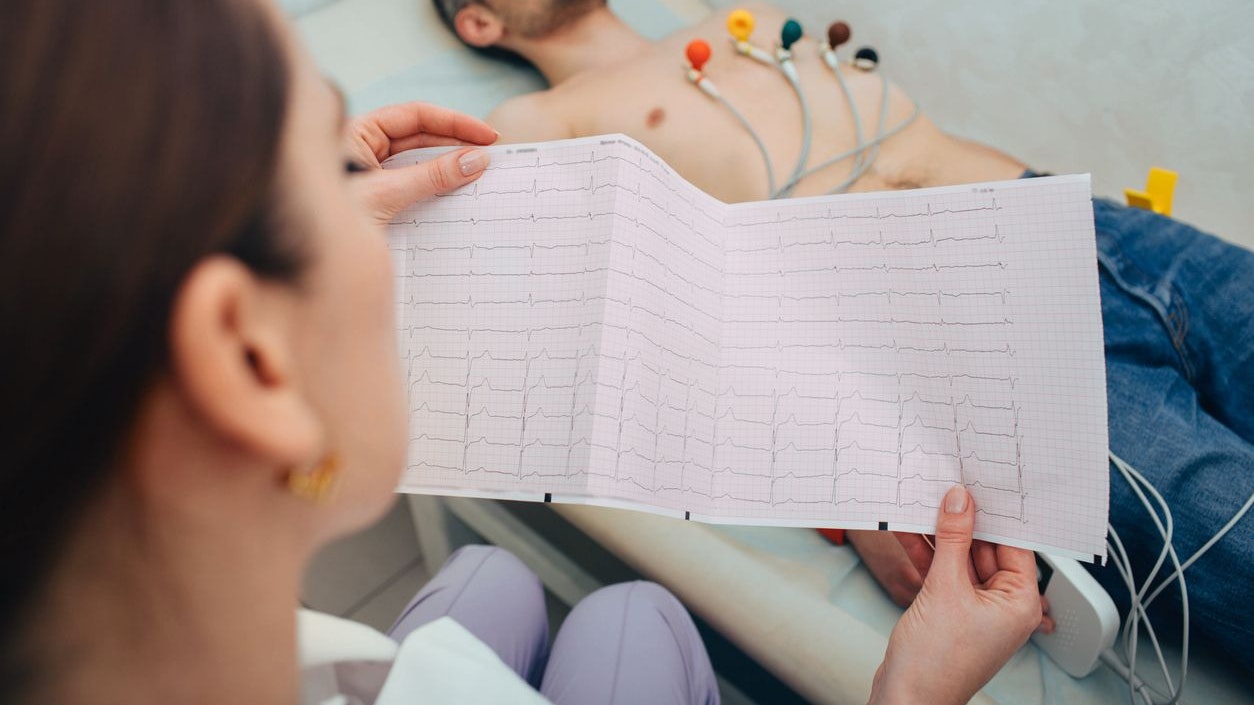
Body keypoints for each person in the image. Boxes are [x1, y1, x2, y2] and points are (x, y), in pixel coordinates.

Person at [0, 1, 1046, 704]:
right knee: (622, 614)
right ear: (250, 363)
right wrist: (908, 696)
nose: (381, 199)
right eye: (327, 174)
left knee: (511, 584)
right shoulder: (537, 118)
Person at [432, 0, 1254, 672]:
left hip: (1084, 223)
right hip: (962, 324)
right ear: (479, 22)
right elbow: (645, 315)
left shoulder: (721, 17)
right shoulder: (537, 117)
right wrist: (854, 473)